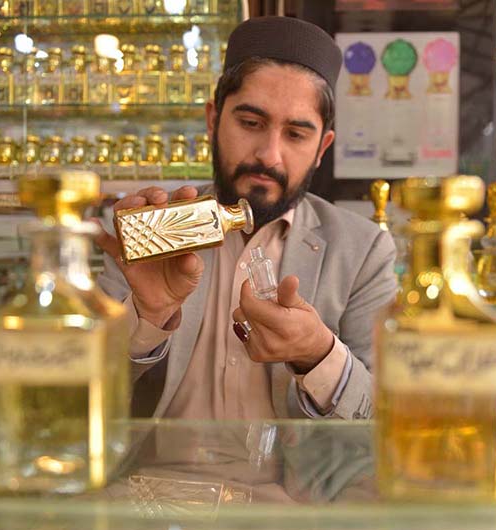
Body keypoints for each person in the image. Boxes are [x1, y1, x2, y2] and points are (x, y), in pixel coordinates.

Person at [95, 16, 396, 420]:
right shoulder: (154, 232)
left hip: (291, 487)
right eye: (251, 123)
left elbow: (389, 416)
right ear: (213, 120)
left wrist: (319, 355)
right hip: (152, 480)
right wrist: (146, 319)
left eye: (295, 134)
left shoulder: (362, 251)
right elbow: (75, 401)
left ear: (322, 147)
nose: (269, 155)